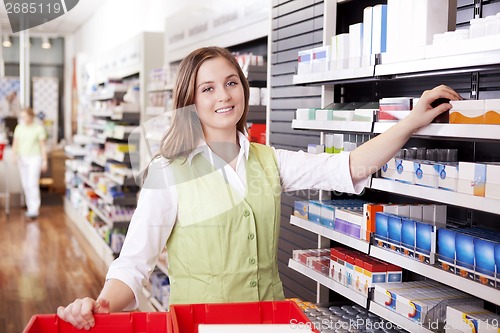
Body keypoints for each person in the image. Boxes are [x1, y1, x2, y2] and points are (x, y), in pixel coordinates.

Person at [57, 46, 461, 330]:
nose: (223, 96)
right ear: (190, 102)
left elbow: (350, 166)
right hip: (200, 327)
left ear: (243, 89)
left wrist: (410, 121)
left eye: (231, 82)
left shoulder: (270, 160)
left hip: (270, 323)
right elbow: (134, 263)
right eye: (208, 88)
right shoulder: (169, 173)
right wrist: (103, 303)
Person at [12, 107, 48, 219]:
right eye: (22, 116)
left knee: (32, 183)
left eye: (25, 116)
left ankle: (35, 209)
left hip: (35, 158)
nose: (23, 118)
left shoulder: (38, 129)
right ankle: (29, 207)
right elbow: (15, 143)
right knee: (26, 184)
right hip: (22, 158)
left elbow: (42, 146)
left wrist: (44, 161)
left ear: (31, 116)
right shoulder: (19, 128)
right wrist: (14, 155)